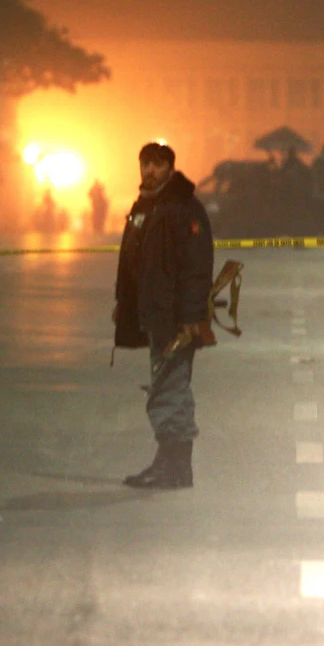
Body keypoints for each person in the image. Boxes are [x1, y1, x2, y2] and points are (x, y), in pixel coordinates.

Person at [114, 142, 214, 489]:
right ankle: (173, 464)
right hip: (155, 316)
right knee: (168, 387)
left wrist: (190, 317)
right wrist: (125, 307)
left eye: (157, 165)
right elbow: (133, 262)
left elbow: (197, 268)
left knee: (168, 389)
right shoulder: (145, 207)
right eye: (145, 164)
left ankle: (172, 466)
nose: (150, 171)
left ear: (171, 168)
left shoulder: (183, 208)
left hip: (176, 320)